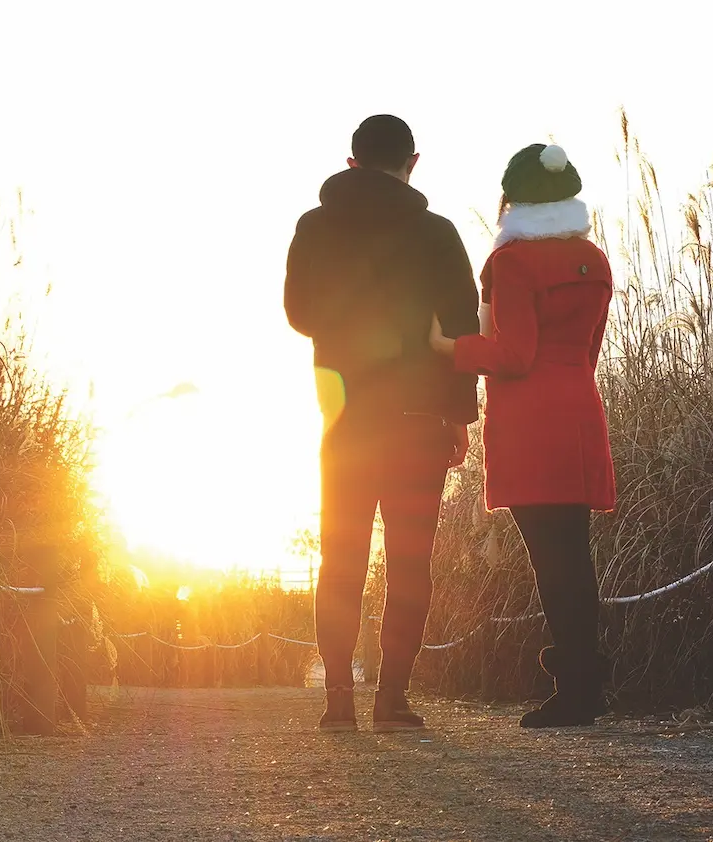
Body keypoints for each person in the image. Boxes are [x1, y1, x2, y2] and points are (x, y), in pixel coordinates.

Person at [284, 115, 480, 732]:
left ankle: (337, 698)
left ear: (351, 163)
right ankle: (392, 698)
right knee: (410, 560)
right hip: (419, 418)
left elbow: (298, 313)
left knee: (340, 558)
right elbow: (463, 326)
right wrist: (459, 413)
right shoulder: (437, 233)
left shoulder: (314, 226)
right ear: (413, 162)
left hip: (344, 420)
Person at [429, 142, 616, 728]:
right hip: (579, 409)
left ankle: (575, 693)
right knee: (574, 557)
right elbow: (589, 350)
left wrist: (446, 348)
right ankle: (586, 683)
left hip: (533, 422)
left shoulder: (511, 264)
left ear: (512, 200)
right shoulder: (594, 260)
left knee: (550, 560)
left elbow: (513, 353)